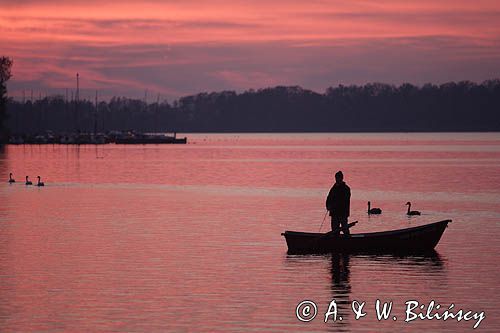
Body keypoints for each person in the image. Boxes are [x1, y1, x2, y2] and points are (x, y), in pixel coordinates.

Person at [326, 171, 351, 236]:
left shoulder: (346, 189)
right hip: (334, 213)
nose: (337, 179)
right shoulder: (333, 188)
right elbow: (329, 198)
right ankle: (336, 242)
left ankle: (349, 242)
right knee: (334, 231)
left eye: (338, 178)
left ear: (342, 178)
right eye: (336, 178)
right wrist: (328, 206)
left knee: (345, 230)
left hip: (343, 213)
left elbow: (344, 201)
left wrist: (334, 206)